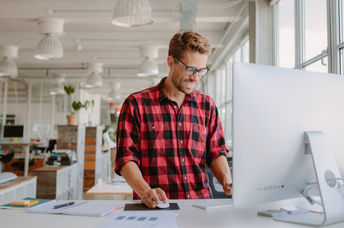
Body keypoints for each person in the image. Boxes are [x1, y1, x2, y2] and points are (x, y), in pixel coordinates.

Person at [115, 31, 232, 208]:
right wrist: (146, 191)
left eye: (202, 70)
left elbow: (216, 151)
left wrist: (227, 181)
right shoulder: (136, 104)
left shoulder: (207, 105)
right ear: (171, 62)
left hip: (200, 206)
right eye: (190, 69)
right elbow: (126, 158)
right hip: (156, 207)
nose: (195, 77)